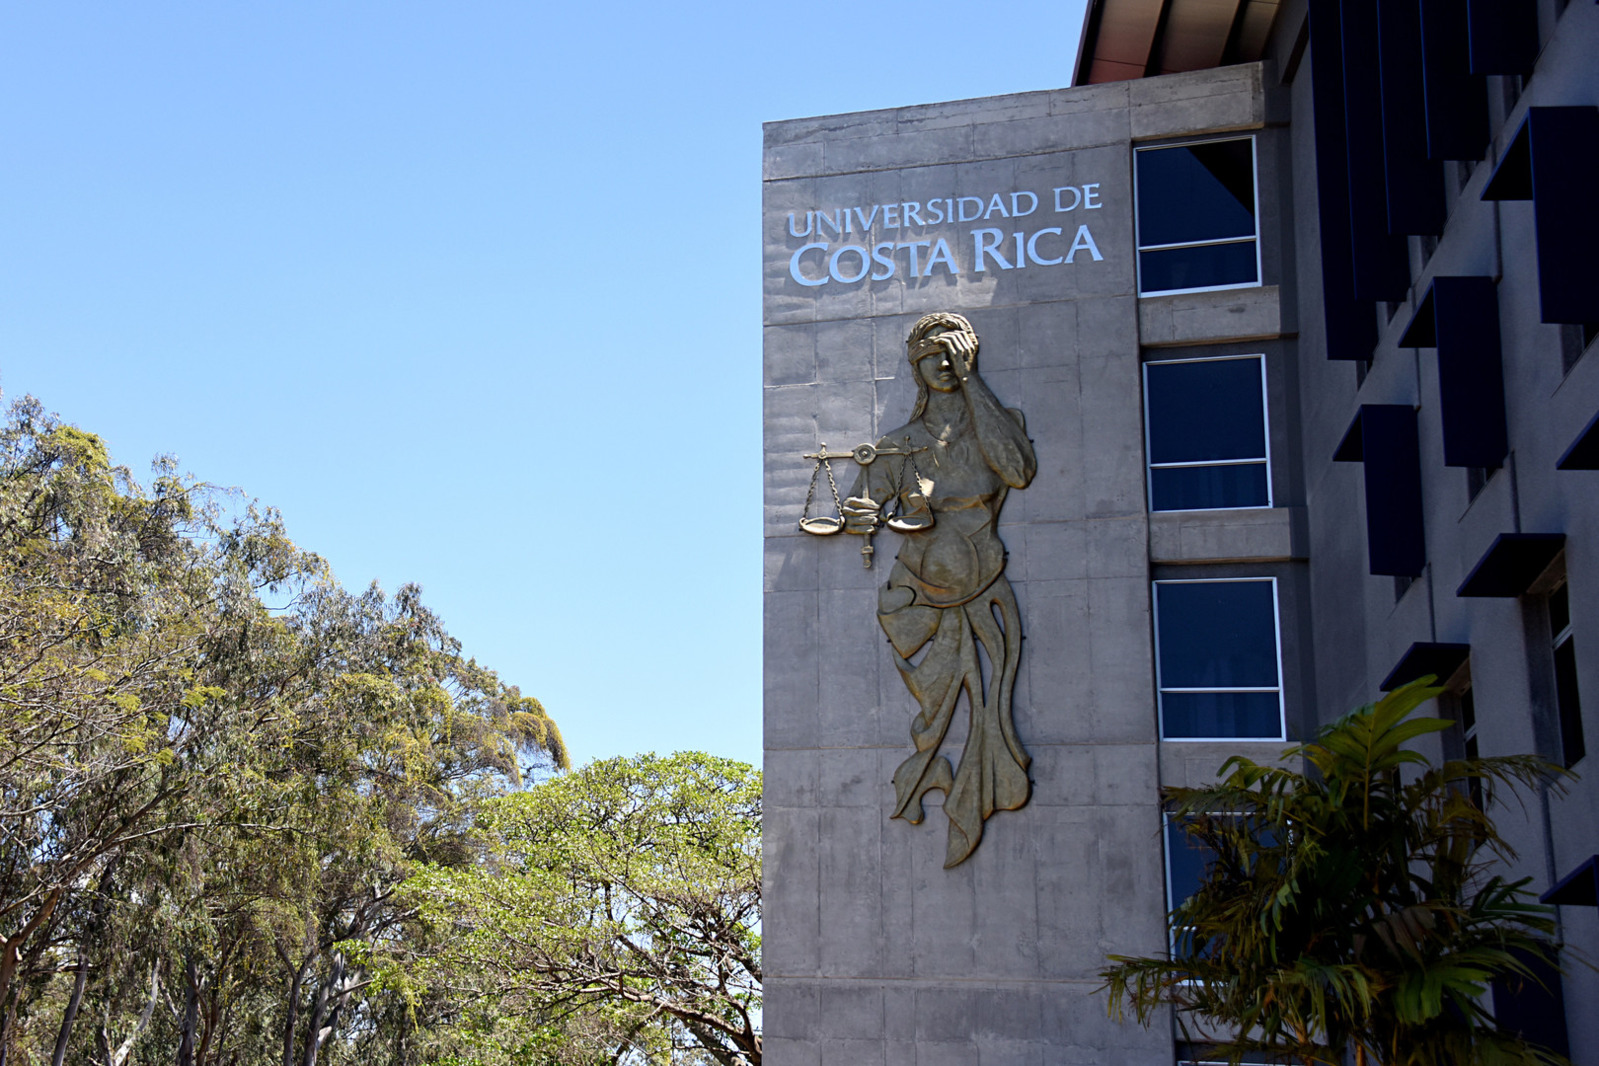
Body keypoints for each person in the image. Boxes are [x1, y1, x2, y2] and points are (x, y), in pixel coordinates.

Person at [843, 311, 1037, 868]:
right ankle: (927, 790)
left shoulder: (998, 427)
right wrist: (859, 517)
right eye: (932, 355)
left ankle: (974, 801)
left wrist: (974, 382)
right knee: (938, 717)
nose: (944, 365)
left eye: (955, 354)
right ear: (915, 366)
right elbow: (864, 509)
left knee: (992, 707)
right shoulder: (899, 445)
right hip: (919, 597)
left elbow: (1019, 473)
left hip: (985, 589)